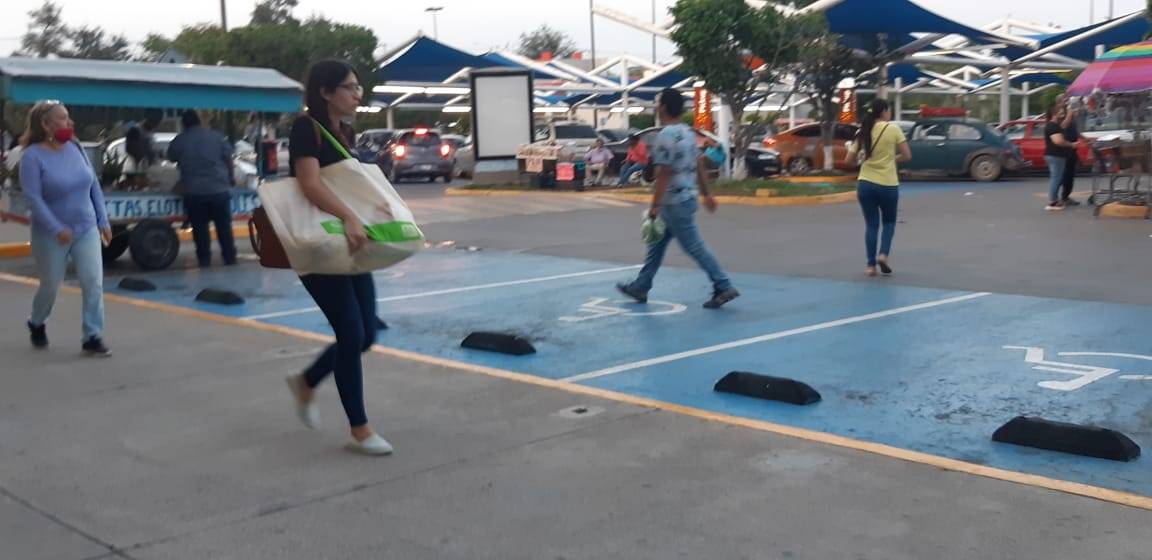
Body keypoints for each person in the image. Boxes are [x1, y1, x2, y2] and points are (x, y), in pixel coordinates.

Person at [283, 59, 393, 456]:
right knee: (350, 333)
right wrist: (348, 215)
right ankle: (360, 430)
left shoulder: (344, 132)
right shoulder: (306, 128)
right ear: (326, 92)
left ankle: (307, 381)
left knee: (366, 334)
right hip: (319, 243)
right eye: (350, 87)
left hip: (349, 242)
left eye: (358, 87)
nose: (357, 95)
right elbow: (309, 184)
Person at [616, 88, 740, 309]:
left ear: (663, 107)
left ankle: (723, 285)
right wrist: (706, 194)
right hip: (685, 198)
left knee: (693, 245)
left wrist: (655, 205)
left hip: (674, 202)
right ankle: (641, 286)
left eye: (657, 103)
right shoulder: (688, 133)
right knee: (656, 245)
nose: (656, 107)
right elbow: (698, 163)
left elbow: (664, 173)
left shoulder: (666, 136)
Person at [19, 100, 112, 356]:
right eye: (62, 118)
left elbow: (93, 185)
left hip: (85, 228)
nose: (69, 123)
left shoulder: (75, 148)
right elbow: (33, 199)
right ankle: (37, 321)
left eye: (68, 117)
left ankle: (92, 335)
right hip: (51, 234)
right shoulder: (32, 157)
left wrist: (103, 220)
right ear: (45, 124)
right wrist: (56, 228)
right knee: (50, 285)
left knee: (93, 282)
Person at [845, 98, 912, 277]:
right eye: (889, 110)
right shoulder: (893, 129)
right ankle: (883, 255)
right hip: (888, 184)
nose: (890, 114)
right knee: (889, 222)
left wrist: (863, 160)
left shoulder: (863, 131)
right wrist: (892, 159)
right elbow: (907, 155)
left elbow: (848, 160)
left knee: (871, 225)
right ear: (883, 111)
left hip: (865, 184)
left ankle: (870, 266)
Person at [167, 110, 237, 267]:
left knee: (200, 229)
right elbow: (229, 159)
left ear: (184, 124)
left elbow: (171, 157)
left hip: (194, 191)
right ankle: (229, 258)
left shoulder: (181, 140)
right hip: (219, 189)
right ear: (199, 121)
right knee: (224, 227)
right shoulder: (216, 137)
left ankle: (204, 260)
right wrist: (231, 178)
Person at [1043, 105, 1077, 212]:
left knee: (1057, 177)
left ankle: (1055, 199)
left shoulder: (1055, 125)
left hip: (1056, 155)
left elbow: (1064, 125)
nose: (1062, 114)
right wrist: (1071, 144)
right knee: (1056, 178)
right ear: (1054, 114)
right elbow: (1058, 141)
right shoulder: (1052, 126)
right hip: (1055, 155)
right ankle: (1052, 201)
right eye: (1060, 113)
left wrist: (1069, 115)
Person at [122, 115, 159, 189]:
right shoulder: (135, 131)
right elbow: (132, 149)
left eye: (157, 123)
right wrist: (144, 156)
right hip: (135, 170)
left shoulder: (149, 132)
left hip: (145, 170)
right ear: (147, 120)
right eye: (154, 122)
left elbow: (149, 149)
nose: (155, 126)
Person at [1059, 98, 1082, 206]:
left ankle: (1066, 196)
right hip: (1065, 149)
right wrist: (1069, 113)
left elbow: (1075, 130)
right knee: (1064, 175)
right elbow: (1063, 126)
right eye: (1065, 101)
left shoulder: (1072, 116)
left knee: (1071, 174)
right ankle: (1059, 197)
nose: (1068, 103)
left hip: (1073, 149)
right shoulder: (1060, 115)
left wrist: (1084, 138)